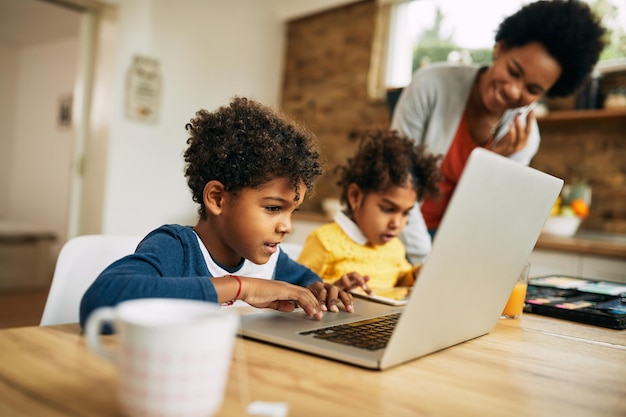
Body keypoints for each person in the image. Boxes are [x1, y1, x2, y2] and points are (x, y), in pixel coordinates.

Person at [79, 97, 354, 329]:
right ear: (217, 199)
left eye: (292, 211)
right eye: (273, 208)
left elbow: (304, 281)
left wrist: (320, 289)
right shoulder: (177, 249)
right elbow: (100, 301)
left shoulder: (270, 261)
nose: (287, 226)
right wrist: (242, 287)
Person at [390, 0, 606, 264]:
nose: (514, 91)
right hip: (390, 233)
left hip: (452, 246)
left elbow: (484, 218)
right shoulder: (431, 85)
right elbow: (397, 175)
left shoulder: (525, 140)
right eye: (513, 71)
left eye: (533, 90)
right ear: (500, 48)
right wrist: (424, 260)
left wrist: (494, 165)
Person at [297, 130, 441, 293]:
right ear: (355, 196)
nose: (397, 223)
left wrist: (415, 275)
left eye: (405, 213)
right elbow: (297, 292)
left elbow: (400, 280)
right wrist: (332, 289)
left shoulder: (395, 246)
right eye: (388, 209)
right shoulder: (324, 241)